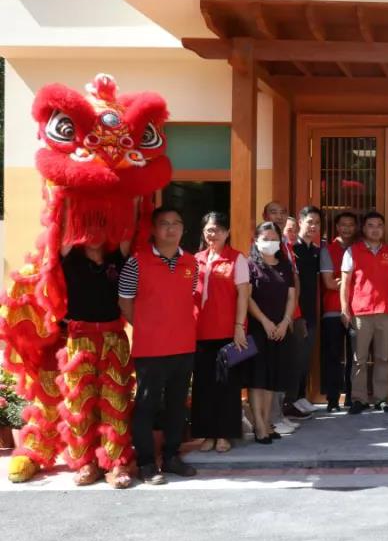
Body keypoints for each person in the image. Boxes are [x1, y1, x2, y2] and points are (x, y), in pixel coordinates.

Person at [56, 204, 139, 488]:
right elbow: (65, 225)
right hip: (80, 341)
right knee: (80, 403)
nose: (94, 232)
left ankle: (116, 463)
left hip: (114, 339)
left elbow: (129, 229)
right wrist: (69, 198)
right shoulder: (71, 257)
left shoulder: (117, 258)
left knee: (116, 400)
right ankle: (85, 463)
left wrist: (133, 199)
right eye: (88, 226)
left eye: (99, 225)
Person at [118, 206, 199, 485]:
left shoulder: (191, 263)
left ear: (183, 229)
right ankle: (146, 463)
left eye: (176, 223)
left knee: (177, 405)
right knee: (147, 405)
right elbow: (125, 302)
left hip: (183, 345)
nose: (171, 228)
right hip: (151, 348)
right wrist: (146, 326)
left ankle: (172, 457)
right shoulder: (136, 263)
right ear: (153, 229)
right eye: (164, 223)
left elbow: (188, 297)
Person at [192, 212, 250, 455]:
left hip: (228, 331)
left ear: (227, 232)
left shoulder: (237, 258)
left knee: (227, 384)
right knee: (203, 385)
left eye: (217, 229)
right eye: (208, 229)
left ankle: (225, 434)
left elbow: (244, 296)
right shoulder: (195, 259)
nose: (212, 234)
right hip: (199, 331)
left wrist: (239, 327)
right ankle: (208, 433)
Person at [245, 221, 297, 444]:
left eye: (274, 238)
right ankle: (258, 425)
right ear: (256, 240)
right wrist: (265, 322)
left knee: (272, 380)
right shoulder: (249, 265)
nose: (270, 242)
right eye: (265, 239)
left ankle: (266, 422)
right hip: (258, 329)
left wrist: (285, 322)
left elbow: (291, 297)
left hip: (280, 330)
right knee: (257, 379)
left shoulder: (285, 265)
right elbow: (247, 298)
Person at [341, 211, 388, 414]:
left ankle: (381, 399)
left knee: (383, 358)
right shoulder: (352, 251)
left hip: (385, 311)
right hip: (360, 312)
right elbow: (345, 283)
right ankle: (359, 399)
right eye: (371, 225)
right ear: (363, 228)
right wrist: (344, 309)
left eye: (379, 225)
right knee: (359, 359)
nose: (375, 229)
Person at [261, 201, 308, 429]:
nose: (279, 216)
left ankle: (278, 415)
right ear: (264, 215)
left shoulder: (286, 244)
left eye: (282, 213)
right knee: (272, 367)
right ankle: (270, 419)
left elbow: (293, 281)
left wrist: (293, 314)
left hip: (290, 313)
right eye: (274, 212)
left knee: (287, 365)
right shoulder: (263, 243)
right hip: (273, 316)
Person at [320, 211, 358, 412]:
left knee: (355, 357)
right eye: (343, 224)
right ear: (336, 227)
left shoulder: (360, 248)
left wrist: (341, 281)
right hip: (332, 310)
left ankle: (352, 397)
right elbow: (328, 283)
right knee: (333, 357)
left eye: (351, 225)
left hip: (357, 309)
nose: (347, 228)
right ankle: (333, 399)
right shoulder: (328, 250)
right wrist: (353, 282)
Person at [289, 206, 322, 415]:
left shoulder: (316, 251)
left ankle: (300, 397)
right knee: (294, 358)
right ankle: (290, 401)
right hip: (295, 312)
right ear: (300, 222)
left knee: (304, 358)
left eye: (317, 223)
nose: (313, 226)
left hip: (311, 311)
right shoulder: (291, 249)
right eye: (310, 221)